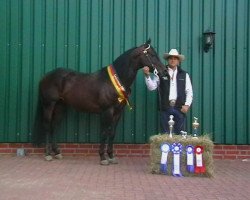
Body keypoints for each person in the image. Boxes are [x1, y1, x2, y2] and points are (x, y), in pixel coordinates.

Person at [143, 49, 193, 134]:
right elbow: (152, 87)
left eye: (175, 58)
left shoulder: (184, 74)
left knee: (180, 134)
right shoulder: (161, 72)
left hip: (180, 108)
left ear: (178, 61)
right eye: (171, 58)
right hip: (165, 107)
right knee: (165, 135)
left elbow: (189, 91)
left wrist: (187, 105)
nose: (173, 60)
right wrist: (147, 76)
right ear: (167, 59)